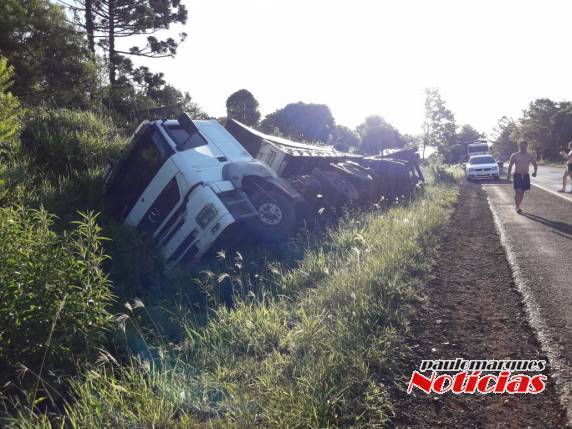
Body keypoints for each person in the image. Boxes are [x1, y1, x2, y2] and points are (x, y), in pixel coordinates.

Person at [507, 141, 538, 213]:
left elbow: (535, 164)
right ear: (519, 147)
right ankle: (517, 207)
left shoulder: (530, 155)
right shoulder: (514, 155)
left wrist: (535, 172)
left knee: (522, 192)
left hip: (526, 175)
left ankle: (518, 205)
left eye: (525, 146)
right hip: (517, 175)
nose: (523, 148)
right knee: (518, 191)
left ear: (527, 147)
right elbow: (510, 165)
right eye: (521, 146)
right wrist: (508, 176)